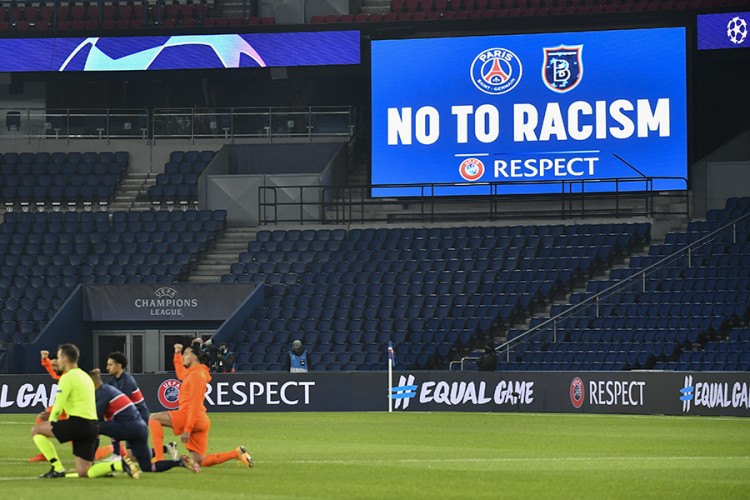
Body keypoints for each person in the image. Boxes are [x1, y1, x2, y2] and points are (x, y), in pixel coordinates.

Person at [30, 343, 140, 479]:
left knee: (37, 430)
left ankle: (57, 468)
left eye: (58, 358)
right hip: (91, 426)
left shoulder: (67, 377)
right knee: (84, 472)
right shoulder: (85, 376)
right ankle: (119, 466)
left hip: (78, 424)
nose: (57, 362)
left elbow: (58, 405)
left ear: (64, 358)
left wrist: (53, 422)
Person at [148, 341, 253, 472]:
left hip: (190, 416)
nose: (184, 357)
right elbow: (181, 373)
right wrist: (177, 354)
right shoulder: (195, 372)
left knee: (154, 418)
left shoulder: (197, 375)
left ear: (194, 357)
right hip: (199, 419)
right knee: (199, 460)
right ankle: (236, 453)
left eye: (186, 354)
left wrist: (187, 428)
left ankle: (158, 460)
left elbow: (194, 404)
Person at [89, 369, 190, 474]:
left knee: (93, 428)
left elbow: (97, 420)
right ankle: (179, 462)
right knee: (147, 467)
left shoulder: (103, 392)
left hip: (128, 427)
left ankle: (96, 461)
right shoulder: (110, 389)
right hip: (140, 428)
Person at [29, 350, 124, 463]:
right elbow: (53, 372)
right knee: (43, 420)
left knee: (80, 442)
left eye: (56, 364)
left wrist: (52, 415)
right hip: (76, 415)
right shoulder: (69, 374)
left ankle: (111, 450)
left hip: (77, 415)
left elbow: (61, 402)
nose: (53, 367)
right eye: (53, 364)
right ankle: (45, 453)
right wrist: (45, 360)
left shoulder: (69, 377)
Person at [106, 351, 151, 462]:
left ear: (119, 365)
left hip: (139, 416)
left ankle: (116, 455)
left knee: (113, 426)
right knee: (133, 456)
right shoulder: (113, 382)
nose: (107, 367)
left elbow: (122, 404)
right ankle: (166, 448)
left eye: (110, 365)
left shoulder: (127, 380)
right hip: (131, 416)